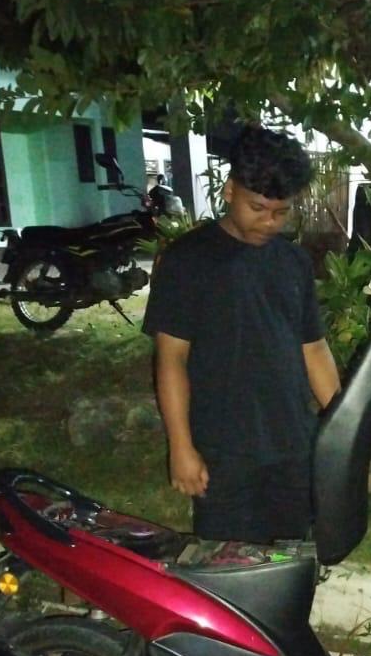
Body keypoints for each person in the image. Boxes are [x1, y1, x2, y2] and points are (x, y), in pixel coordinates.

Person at [142, 127, 341, 543]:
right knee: (226, 561)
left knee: (291, 555)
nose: (269, 222)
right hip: (222, 449)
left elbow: (314, 348)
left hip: (292, 443)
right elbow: (171, 358)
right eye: (258, 208)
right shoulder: (188, 260)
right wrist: (181, 447)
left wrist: (344, 425)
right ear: (230, 190)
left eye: (281, 212)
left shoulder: (293, 262)